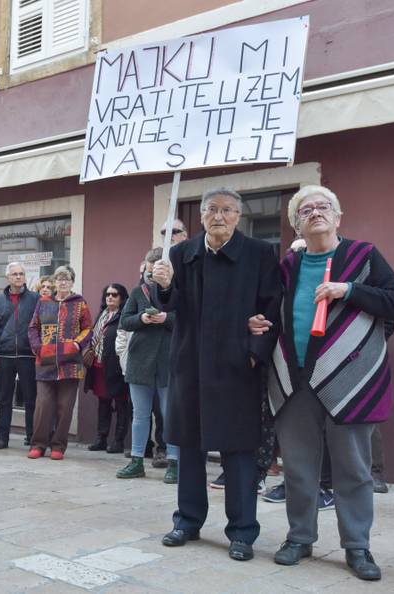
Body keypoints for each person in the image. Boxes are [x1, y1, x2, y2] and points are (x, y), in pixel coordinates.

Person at [247, 185, 394, 580]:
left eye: (323, 207)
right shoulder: (287, 266)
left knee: (353, 470)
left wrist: (349, 290)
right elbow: (266, 310)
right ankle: (299, 538)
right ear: (296, 224)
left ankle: (357, 546)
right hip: (294, 377)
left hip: (349, 380)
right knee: (299, 468)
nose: (315, 212)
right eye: (306, 210)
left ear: (338, 217)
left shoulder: (362, 256)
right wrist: (255, 323)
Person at [151, 187, 282, 562]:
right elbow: (171, 305)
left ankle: (242, 532)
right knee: (189, 446)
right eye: (211, 210)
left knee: (239, 451)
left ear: (239, 216)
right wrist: (163, 286)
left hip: (237, 366)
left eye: (227, 210)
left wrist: (255, 354)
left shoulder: (259, 254)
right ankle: (187, 521)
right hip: (190, 364)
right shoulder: (180, 254)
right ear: (202, 216)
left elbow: (272, 308)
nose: (219, 216)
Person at [117, 247, 179, 483]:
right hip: (140, 361)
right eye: (150, 272)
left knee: (169, 413)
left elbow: (188, 321)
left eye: (158, 272)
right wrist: (142, 319)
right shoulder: (137, 292)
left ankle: (174, 462)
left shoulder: (178, 292)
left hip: (168, 360)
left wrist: (166, 318)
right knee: (140, 414)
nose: (153, 277)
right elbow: (124, 321)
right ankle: (136, 461)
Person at [27, 266, 92, 460]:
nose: (62, 282)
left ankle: (58, 446)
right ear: (54, 282)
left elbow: (88, 328)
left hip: (70, 363)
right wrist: (38, 347)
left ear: (72, 282)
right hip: (45, 362)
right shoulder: (43, 302)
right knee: (43, 405)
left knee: (65, 406)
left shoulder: (80, 303)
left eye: (66, 279)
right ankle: (38, 444)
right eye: (59, 278)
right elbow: (33, 328)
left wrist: (76, 344)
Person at [0, 263, 40, 449]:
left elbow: (40, 326)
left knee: (30, 398)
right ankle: (2, 437)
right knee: (4, 398)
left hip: (28, 355)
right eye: (15, 274)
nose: (19, 277)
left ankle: (32, 436)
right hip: (5, 355)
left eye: (21, 274)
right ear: (8, 278)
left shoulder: (35, 299)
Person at [85, 283, 130, 455]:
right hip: (98, 366)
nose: (110, 297)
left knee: (120, 404)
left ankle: (118, 441)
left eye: (115, 294)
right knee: (103, 403)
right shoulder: (102, 314)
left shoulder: (124, 316)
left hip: (117, 368)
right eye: (108, 294)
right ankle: (101, 438)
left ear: (122, 298)